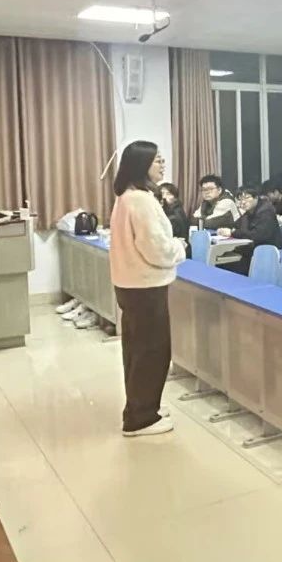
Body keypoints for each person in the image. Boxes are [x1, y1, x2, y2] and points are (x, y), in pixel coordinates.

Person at [108, 141, 183, 437]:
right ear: (142, 165)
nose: (163, 165)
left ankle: (142, 407)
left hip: (130, 285)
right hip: (146, 287)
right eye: (157, 161)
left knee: (137, 350)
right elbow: (156, 249)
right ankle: (140, 418)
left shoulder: (126, 197)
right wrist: (179, 248)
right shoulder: (141, 201)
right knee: (152, 352)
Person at [218, 185, 281, 273]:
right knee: (220, 261)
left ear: (256, 197)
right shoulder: (250, 211)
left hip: (265, 253)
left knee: (226, 266)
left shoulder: (266, 212)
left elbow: (257, 235)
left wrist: (233, 233)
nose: (243, 202)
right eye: (240, 199)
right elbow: (236, 225)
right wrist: (226, 230)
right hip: (251, 250)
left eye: (247, 198)